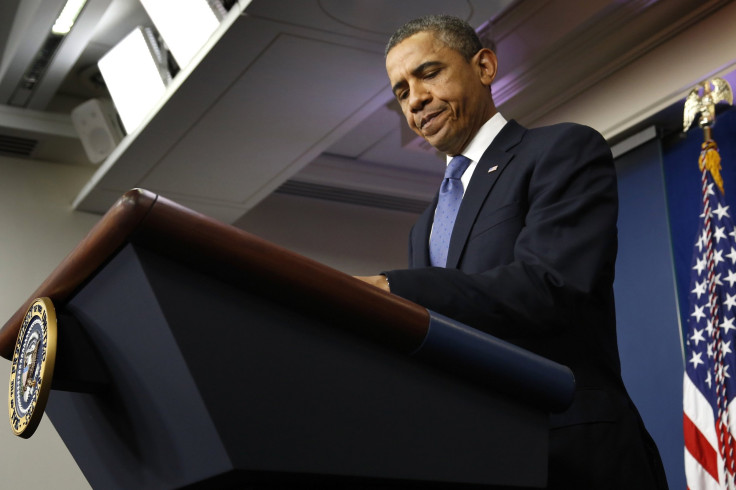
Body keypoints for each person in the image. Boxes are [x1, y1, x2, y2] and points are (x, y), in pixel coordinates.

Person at [355, 14, 668, 489]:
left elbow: (550, 286)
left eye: (429, 73)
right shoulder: (424, 228)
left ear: (483, 66)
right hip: (481, 458)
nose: (415, 99)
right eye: (401, 92)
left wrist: (394, 288)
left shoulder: (561, 150)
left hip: (573, 456)